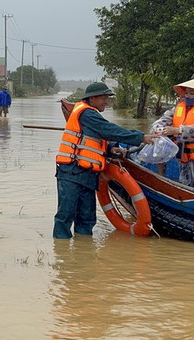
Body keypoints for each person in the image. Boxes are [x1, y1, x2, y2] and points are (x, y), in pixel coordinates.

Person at [53, 82, 156, 239]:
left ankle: (83, 249)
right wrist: (140, 137)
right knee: (65, 215)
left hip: (88, 174)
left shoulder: (91, 114)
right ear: (92, 99)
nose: (106, 102)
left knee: (87, 218)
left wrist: (110, 148)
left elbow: (94, 139)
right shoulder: (87, 114)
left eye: (107, 98)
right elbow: (109, 130)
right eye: (103, 98)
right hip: (71, 171)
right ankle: (62, 249)